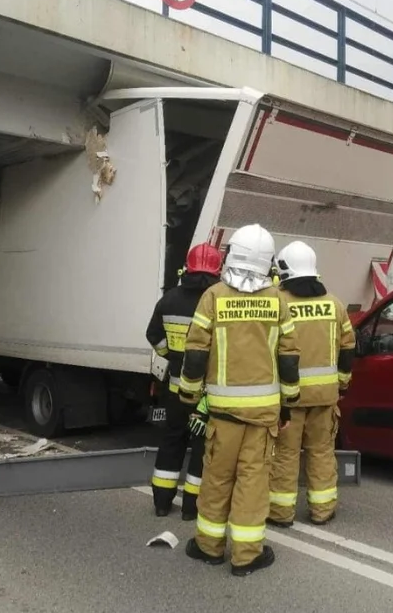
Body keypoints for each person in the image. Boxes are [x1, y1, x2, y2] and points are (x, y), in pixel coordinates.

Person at [178, 224, 300, 576]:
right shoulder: (278, 300)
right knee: (253, 484)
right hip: (263, 417)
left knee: (216, 479)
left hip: (223, 415)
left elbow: (196, 353)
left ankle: (208, 547)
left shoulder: (213, 296)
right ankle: (246, 556)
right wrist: (287, 405)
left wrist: (188, 395)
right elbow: (289, 357)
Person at [267, 241, 356, 527]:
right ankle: (322, 510)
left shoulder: (279, 302)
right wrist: (342, 385)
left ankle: (280, 513)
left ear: (284, 270)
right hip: (326, 398)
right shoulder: (334, 304)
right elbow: (348, 349)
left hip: (289, 399)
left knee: (285, 455)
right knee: (321, 453)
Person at [144, 243, 223, 519]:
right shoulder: (218, 301)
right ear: (217, 269)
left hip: (176, 387)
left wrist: (173, 357)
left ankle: (162, 503)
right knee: (202, 448)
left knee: (172, 441)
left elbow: (153, 335)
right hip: (207, 394)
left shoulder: (169, 299)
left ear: (187, 268)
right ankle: (192, 508)